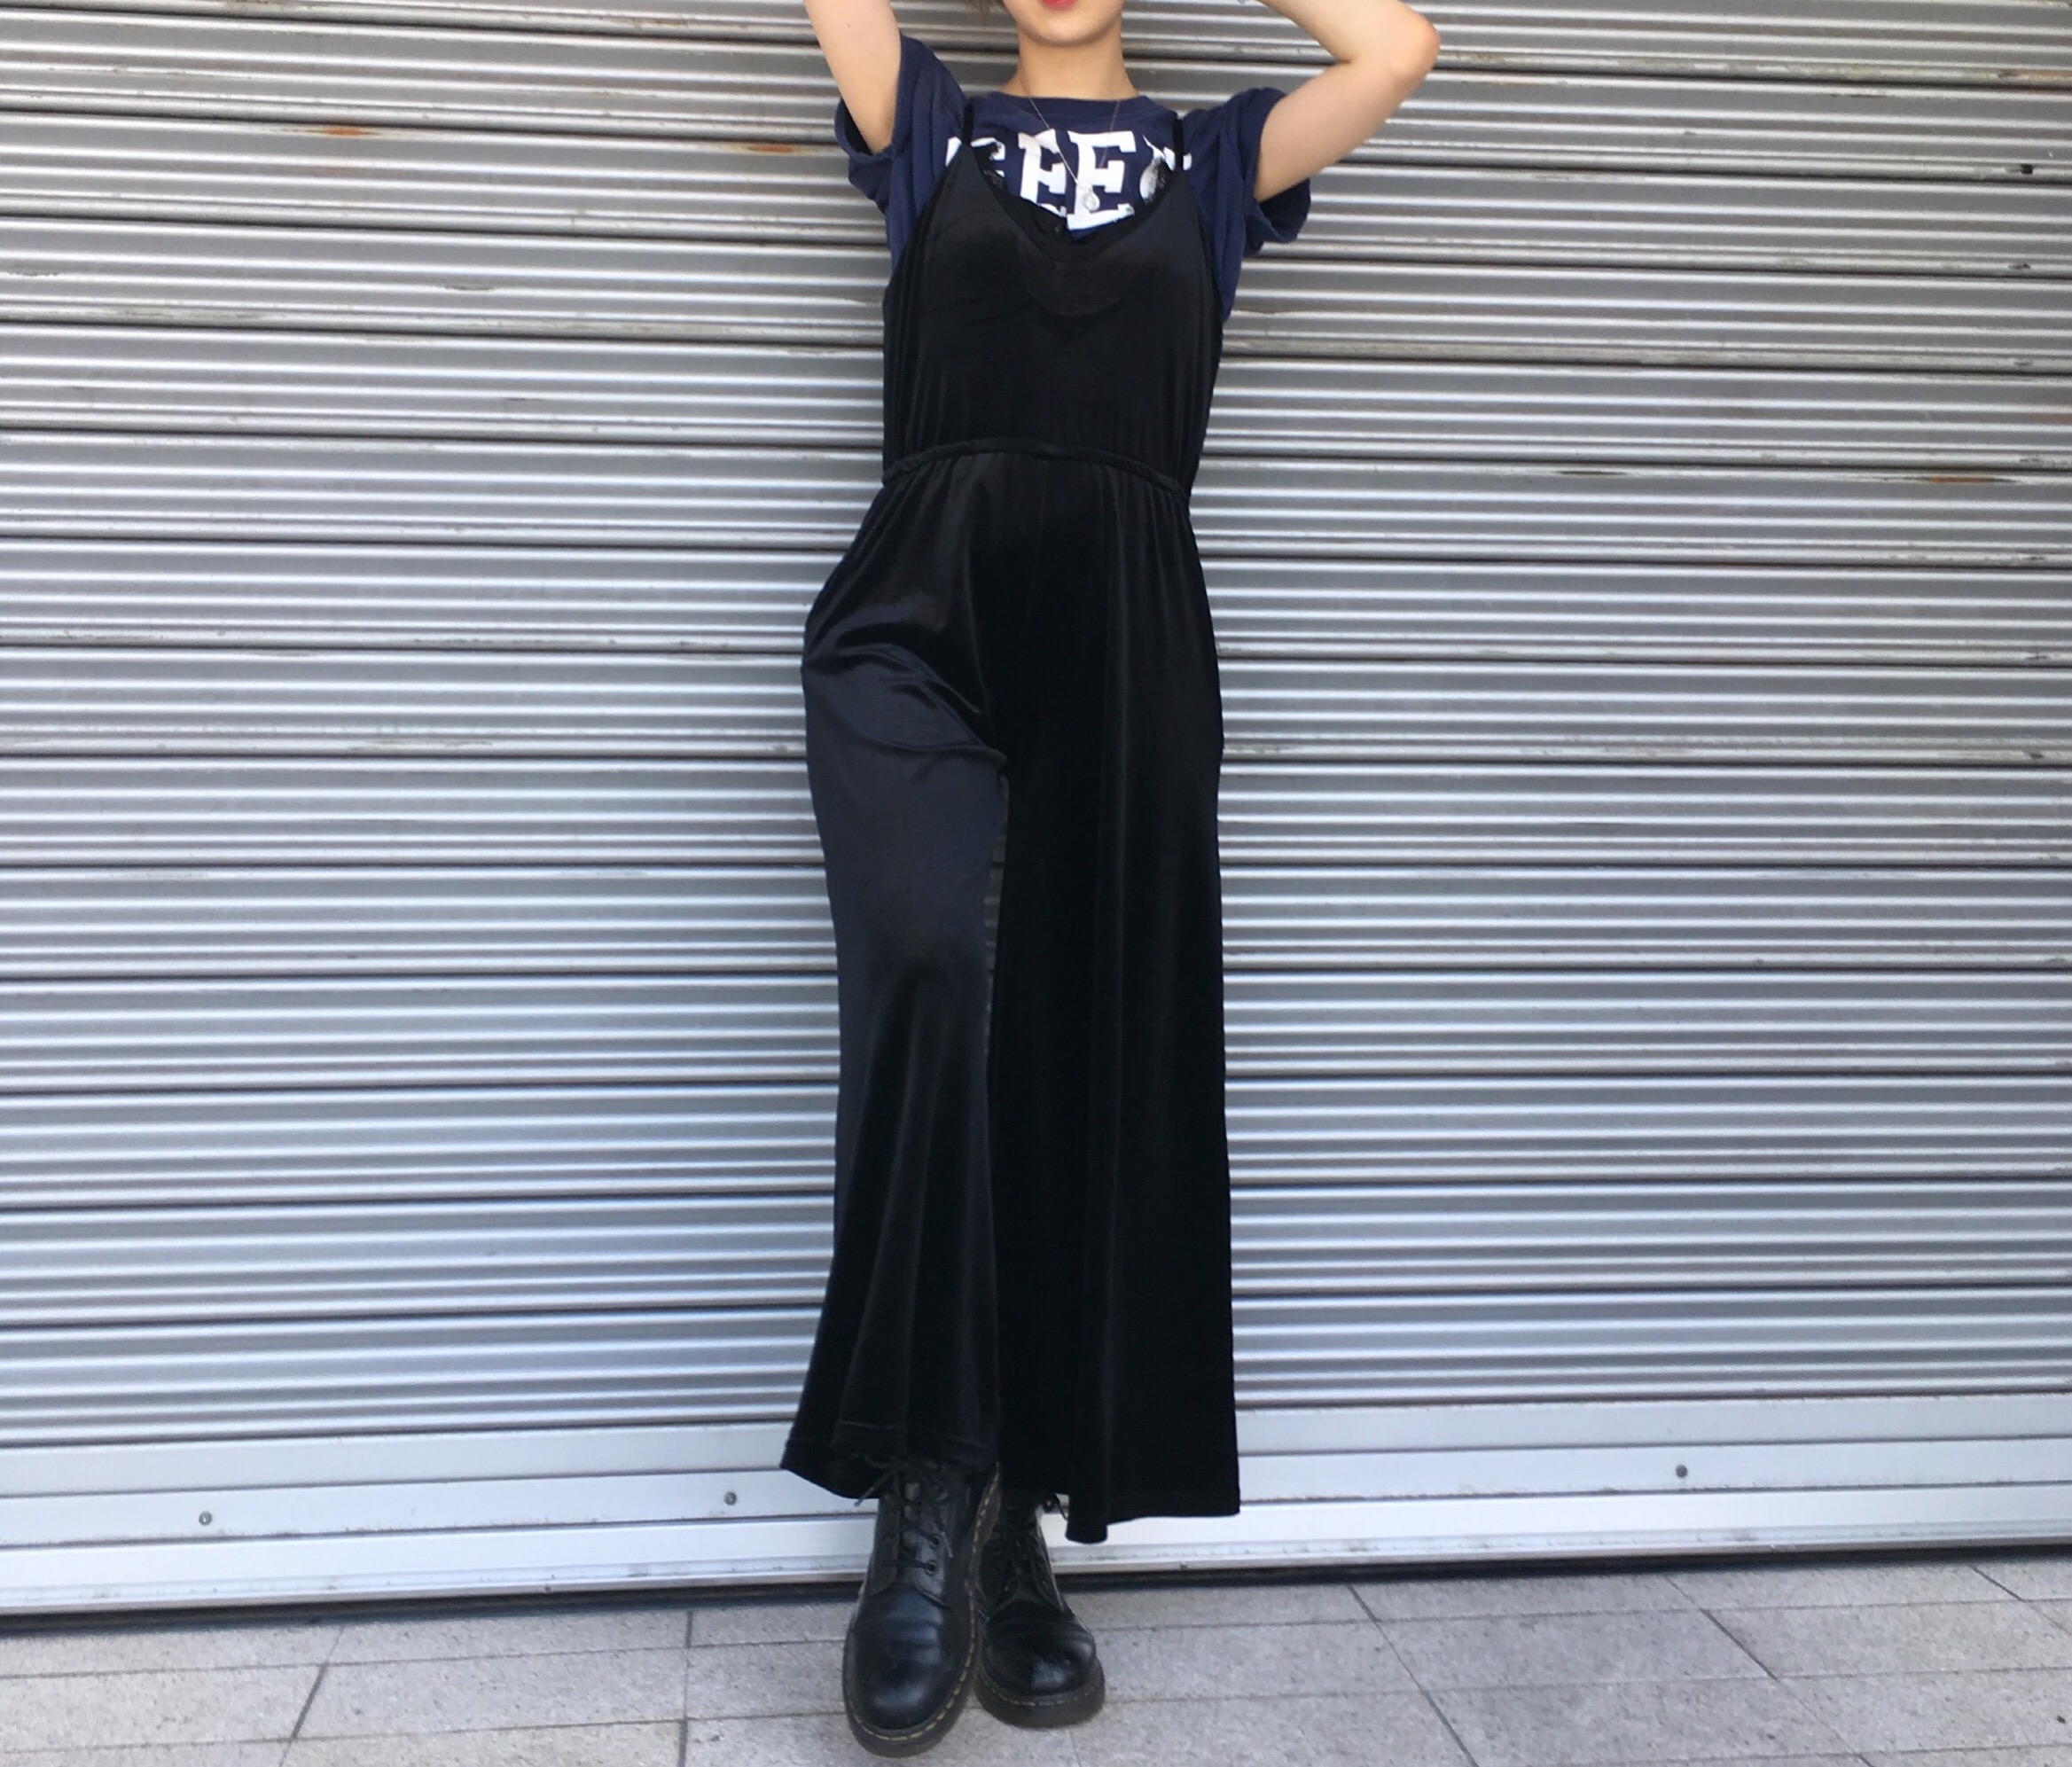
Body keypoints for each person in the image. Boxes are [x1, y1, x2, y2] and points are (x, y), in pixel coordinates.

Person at [786, 0, 1440, 1751]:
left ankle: (1016, 1509)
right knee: (924, 975)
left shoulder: (1215, 160)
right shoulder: (926, 124)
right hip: (914, 616)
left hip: (1126, 635)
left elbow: (1392, 52)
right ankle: (919, 1485)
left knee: (1086, 1048)